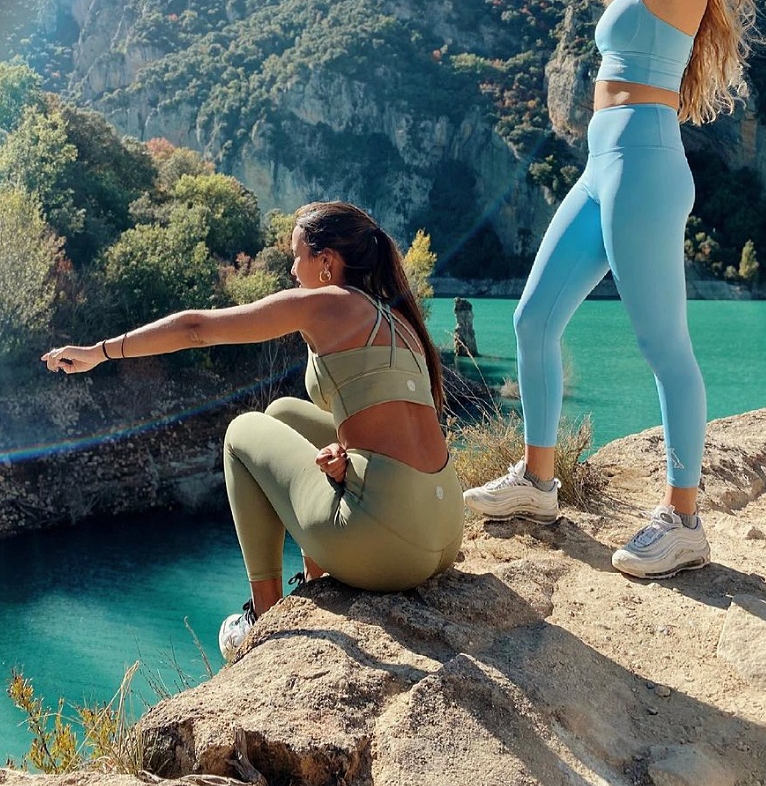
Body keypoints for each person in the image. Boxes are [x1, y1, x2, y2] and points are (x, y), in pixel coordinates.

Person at [464, 0, 755, 578]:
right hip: (603, 165)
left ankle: (683, 522)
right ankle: (538, 483)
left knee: (664, 347)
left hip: (644, 166)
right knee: (532, 320)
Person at [42, 201, 465, 657]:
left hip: (388, 547)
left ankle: (263, 615)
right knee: (283, 413)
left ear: (326, 262)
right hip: (444, 530)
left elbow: (196, 329)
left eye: (297, 256)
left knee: (241, 432)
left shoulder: (325, 304)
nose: (292, 269)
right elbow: (386, 429)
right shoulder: (399, 319)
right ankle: (317, 575)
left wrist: (99, 352)